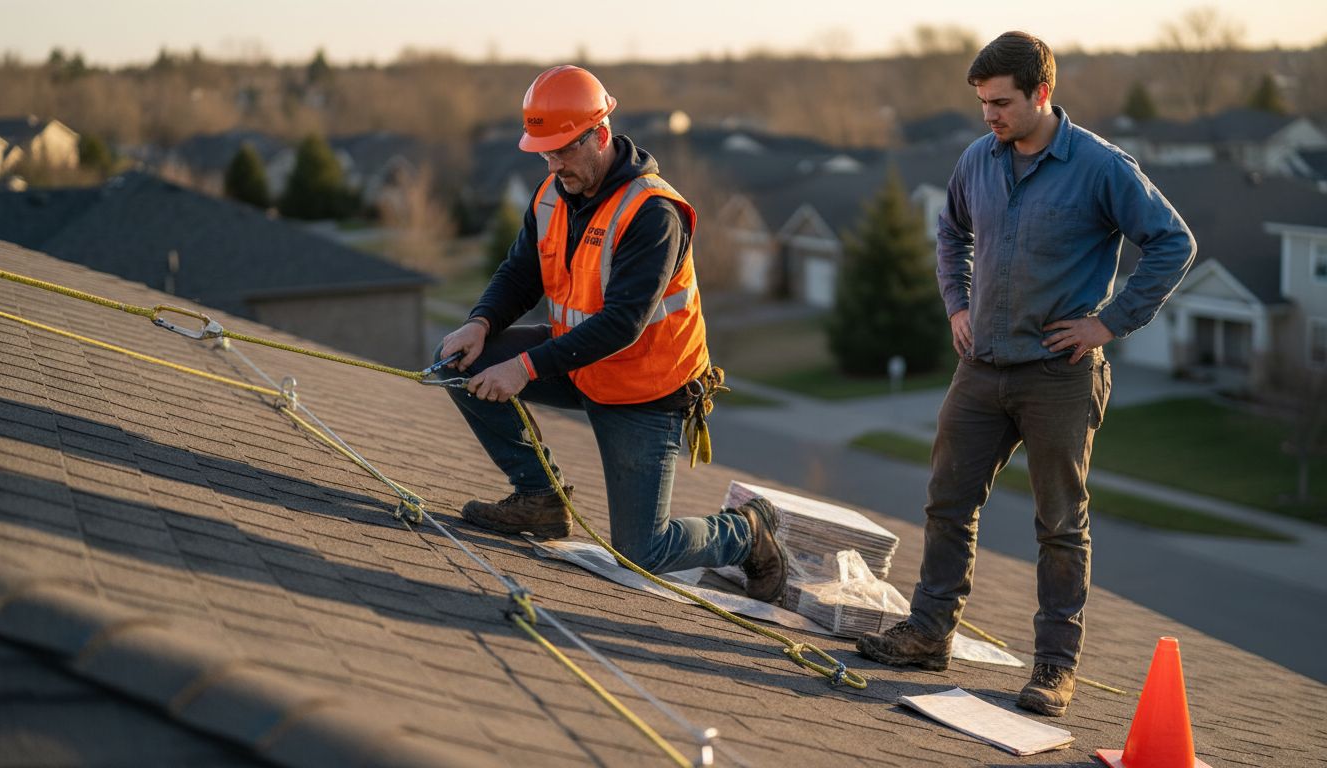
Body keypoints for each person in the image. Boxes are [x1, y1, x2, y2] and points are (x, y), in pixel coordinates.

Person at [856, 31, 1196, 717]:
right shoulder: (978, 160)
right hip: (980, 370)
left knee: (1060, 525)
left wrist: (1109, 323)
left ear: (1043, 93)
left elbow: (1173, 242)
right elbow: (951, 233)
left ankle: (1053, 669)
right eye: (983, 104)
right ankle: (929, 633)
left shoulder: (1101, 167)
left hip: (1060, 376)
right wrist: (957, 303)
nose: (990, 117)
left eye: (1002, 103)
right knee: (948, 504)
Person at [434, 65, 787, 603]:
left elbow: (624, 322)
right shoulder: (553, 194)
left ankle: (749, 531)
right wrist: (480, 324)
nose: (554, 166)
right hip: (579, 364)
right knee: (460, 366)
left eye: (564, 152)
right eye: (545, 154)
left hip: (647, 391)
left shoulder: (653, 213)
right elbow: (520, 272)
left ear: (600, 135)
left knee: (644, 552)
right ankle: (541, 500)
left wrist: (523, 368)